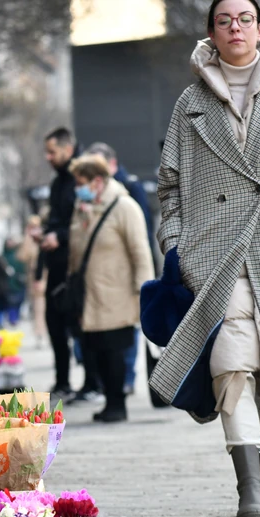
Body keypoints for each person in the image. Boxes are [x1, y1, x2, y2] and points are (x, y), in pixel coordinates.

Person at [150, 0, 260, 517]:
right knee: (232, 368)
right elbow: (169, 186)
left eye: (245, 19)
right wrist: (175, 245)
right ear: (211, 33)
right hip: (216, 256)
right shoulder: (190, 101)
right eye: (225, 20)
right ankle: (250, 493)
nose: (235, 28)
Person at [68, 155, 154, 423]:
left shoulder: (124, 206)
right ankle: (109, 402)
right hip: (91, 294)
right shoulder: (84, 206)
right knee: (97, 350)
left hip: (118, 293)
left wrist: (144, 292)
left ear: (97, 180)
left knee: (116, 350)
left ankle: (118, 404)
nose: (77, 187)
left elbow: (141, 252)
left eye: (81, 182)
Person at [85, 141, 155, 396]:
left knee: (126, 332)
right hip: (102, 281)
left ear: (111, 165)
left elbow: (141, 239)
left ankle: (127, 379)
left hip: (122, 278)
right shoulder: (92, 197)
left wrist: (143, 284)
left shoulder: (127, 192)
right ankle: (112, 384)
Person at [39, 127, 79, 398]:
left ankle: (92, 383)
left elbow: (78, 224)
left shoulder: (79, 179)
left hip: (72, 265)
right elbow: (57, 220)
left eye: (52, 151)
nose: (47, 157)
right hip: (55, 264)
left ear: (68, 149)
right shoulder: (57, 183)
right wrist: (44, 234)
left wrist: (59, 237)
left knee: (77, 326)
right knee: (53, 322)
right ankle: (62, 380)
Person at [16, 216, 48, 347]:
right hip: (34, 279)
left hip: (45, 277)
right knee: (37, 309)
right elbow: (21, 256)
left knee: (44, 308)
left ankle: (43, 333)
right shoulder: (29, 241)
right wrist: (27, 238)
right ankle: (39, 333)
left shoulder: (44, 238)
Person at [2, 237, 27, 326]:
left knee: (18, 301)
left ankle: (16, 317)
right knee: (10, 302)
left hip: (18, 282)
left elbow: (23, 267)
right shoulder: (3, 256)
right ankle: (12, 318)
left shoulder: (18, 255)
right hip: (7, 283)